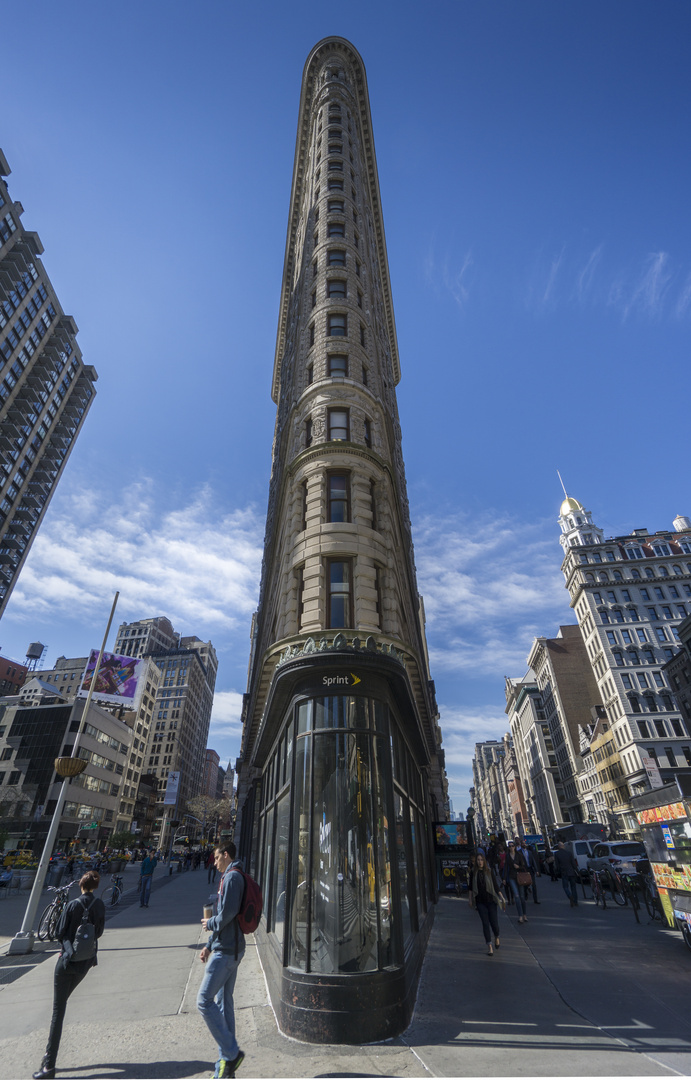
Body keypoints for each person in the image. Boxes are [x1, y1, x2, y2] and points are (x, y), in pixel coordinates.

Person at [32, 870, 106, 1079]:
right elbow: (99, 932)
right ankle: (48, 1062)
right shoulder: (99, 905)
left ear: (81, 885)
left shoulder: (73, 905)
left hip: (67, 962)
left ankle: (49, 1066)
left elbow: (58, 933)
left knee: (58, 1011)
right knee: (61, 1005)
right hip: (86, 963)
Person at [198, 841, 246, 1079]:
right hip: (225, 946)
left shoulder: (232, 878)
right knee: (224, 1004)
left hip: (227, 951)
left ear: (226, 855)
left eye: (216, 858)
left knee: (203, 1001)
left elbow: (226, 914)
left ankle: (231, 1053)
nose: (214, 863)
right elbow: (224, 913)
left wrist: (210, 925)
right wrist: (208, 945)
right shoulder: (229, 876)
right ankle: (226, 1067)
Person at [468, 851, 505, 955]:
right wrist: (470, 899)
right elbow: (470, 887)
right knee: (485, 924)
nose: (480, 862)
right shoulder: (473, 873)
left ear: (484, 861)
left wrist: (501, 896)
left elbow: (495, 885)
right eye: (478, 860)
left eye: (481, 860)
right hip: (480, 902)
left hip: (491, 901)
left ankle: (497, 936)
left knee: (494, 923)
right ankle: (489, 946)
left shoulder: (489, 871)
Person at [502, 840, 529, 923]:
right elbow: (506, 867)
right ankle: (520, 916)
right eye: (509, 846)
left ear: (515, 847)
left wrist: (518, 867)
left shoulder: (519, 855)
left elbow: (524, 866)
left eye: (512, 846)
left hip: (520, 876)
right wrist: (504, 878)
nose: (511, 847)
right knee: (516, 896)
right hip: (512, 877)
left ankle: (524, 914)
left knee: (522, 897)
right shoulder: (507, 856)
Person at [554, 841, 579, 906]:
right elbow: (573, 863)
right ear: (563, 846)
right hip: (571, 872)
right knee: (573, 887)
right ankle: (575, 901)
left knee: (565, 887)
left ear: (559, 847)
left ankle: (569, 895)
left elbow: (557, 865)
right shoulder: (569, 853)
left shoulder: (557, 854)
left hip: (564, 872)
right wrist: (577, 871)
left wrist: (558, 872)